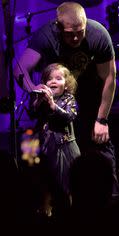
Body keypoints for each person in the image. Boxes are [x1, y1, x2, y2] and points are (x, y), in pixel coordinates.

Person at [16, 1, 119, 195]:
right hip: (54, 106)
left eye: (80, 32)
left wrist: (102, 119)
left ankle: (110, 202)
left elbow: (110, 79)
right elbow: (20, 68)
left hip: (90, 102)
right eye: (69, 33)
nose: (75, 37)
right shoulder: (46, 35)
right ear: (58, 26)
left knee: (102, 152)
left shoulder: (98, 34)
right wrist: (34, 89)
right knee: (47, 165)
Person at [31, 63, 80, 216]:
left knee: (65, 183)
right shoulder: (43, 101)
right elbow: (33, 115)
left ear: (66, 85)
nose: (53, 81)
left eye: (58, 78)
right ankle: (47, 210)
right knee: (46, 181)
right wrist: (39, 101)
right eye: (49, 79)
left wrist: (53, 105)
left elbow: (69, 116)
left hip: (64, 148)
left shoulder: (68, 98)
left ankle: (69, 210)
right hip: (47, 148)